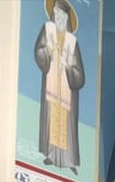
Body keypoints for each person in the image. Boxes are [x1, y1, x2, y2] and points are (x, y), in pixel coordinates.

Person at [34, 0, 85, 172]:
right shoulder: (48, 31)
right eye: (56, 13)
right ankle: (51, 154)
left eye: (62, 14)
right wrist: (47, 52)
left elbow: (79, 73)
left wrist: (68, 67)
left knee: (66, 123)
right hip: (52, 85)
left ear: (67, 17)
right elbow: (39, 50)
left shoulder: (72, 42)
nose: (59, 17)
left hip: (66, 90)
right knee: (52, 118)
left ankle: (68, 160)